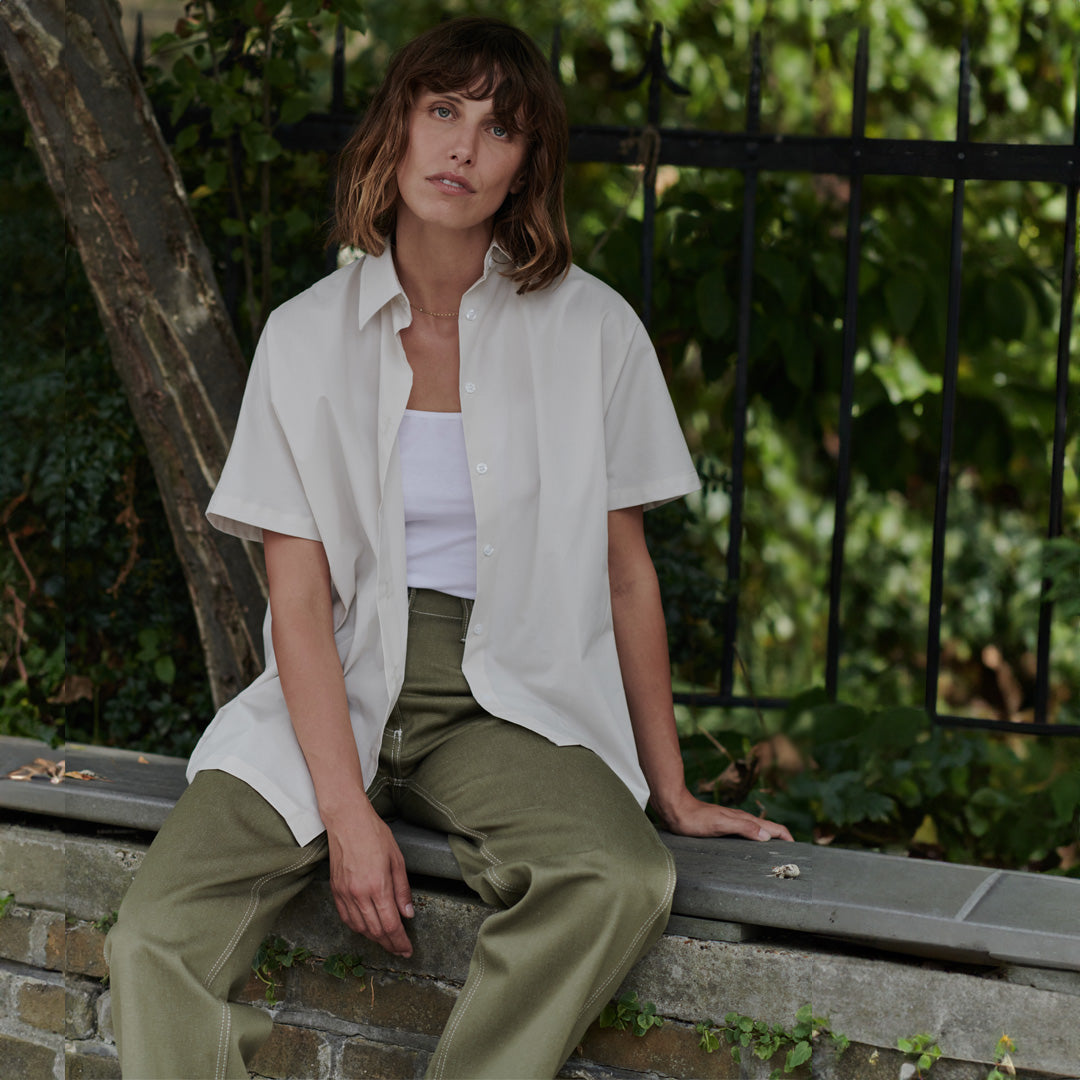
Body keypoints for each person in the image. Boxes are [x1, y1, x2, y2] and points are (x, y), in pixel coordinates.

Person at [105, 16, 792, 1080]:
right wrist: (345, 813)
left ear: (527, 167)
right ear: (399, 128)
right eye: (443, 111)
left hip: (505, 694)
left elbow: (626, 576)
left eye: (499, 128)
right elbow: (298, 601)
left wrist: (675, 790)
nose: (464, 147)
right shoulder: (305, 336)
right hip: (335, 679)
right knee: (156, 938)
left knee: (618, 878)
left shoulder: (593, 332)